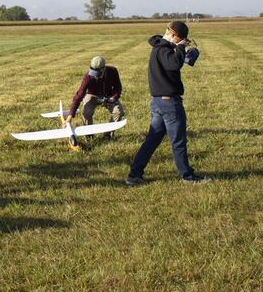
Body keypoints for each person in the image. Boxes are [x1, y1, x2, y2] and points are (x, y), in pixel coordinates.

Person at [126, 21, 208, 185]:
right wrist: (180, 48)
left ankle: (134, 175)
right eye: (181, 39)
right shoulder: (163, 48)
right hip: (169, 102)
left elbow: (173, 64)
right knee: (178, 140)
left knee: (152, 140)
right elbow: (174, 65)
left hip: (158, 102)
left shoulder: (161, 47)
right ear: (175, 35)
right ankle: (187, 176)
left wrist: (181, 50)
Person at [64, 56, 126, 149]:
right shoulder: (88, 77)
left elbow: (118, 88)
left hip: (108, 96)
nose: (95, 75)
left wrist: (113, 98)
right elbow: (79, 96)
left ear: (104, 68)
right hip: (92, 95)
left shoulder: (113, 71)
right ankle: (89, 136)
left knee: (119, 111)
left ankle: (107, 135)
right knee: (86, 112)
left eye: (97, 73)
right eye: (93, 72)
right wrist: (69, 117)